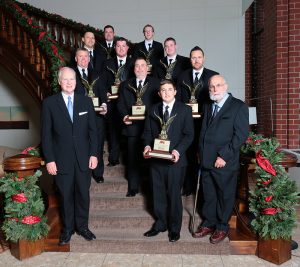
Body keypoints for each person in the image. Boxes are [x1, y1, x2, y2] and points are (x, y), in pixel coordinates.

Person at [41, 67, 98, 245]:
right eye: (65, 79)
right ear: (59, 82)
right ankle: (67, 230)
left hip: (83, 159)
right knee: (65, 196)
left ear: (76, 81)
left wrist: (94, 154)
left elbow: (93, 132)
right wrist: (49, 159)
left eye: (72, 79)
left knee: (83, 194)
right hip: (61, 160)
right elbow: (46, 135)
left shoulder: (86, 101)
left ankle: (83, 227)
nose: (69, 82)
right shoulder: (49, 103)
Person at [193, 75, 249, 244]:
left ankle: (222, 227)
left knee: (224, 195)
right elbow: (203, 132)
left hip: (224, 162)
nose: (214, 89)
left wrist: (224, 156)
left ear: (226, 86)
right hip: (207, 160)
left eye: (218, 85)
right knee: (209, 194)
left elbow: (240, 136)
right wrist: (200, 153)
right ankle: (209, 223)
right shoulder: (208, 106)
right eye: (211, 86)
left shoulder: (238, 107)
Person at [142, 79, 194, 242]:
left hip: (175, 160)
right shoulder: (153, 109)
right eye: (163, 90)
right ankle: (160, 224)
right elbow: (147, 133)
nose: (166, 93)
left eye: (169, 89)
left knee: (173, 195)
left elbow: (189, 134)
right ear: (159, 93)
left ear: (175, 91)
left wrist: (178, 151)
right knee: (157, 194)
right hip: (156, 159)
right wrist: (147, 147)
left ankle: (174, 228)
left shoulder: (184, 110)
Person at [177, 46, 219, 196]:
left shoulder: (213, 76)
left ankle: (205, 189)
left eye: (199, 57)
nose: (196, 60)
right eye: (193, 57)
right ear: (190, 59)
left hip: (205, 122)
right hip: (187, 123)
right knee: (188, 155)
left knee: (205, 154)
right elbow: (179, 100)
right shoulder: (182, 76)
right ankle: (189, 186)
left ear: (204, 58)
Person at [117, 58, 160, 197]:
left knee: (152, 160)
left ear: (147, 68)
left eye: (143, 66)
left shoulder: (156, 83)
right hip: (132, 128)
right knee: (132, 159)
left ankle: (151, 188)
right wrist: (124, 116)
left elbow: (161, 104)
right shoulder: (125, 84)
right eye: (137, 66)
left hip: (152, 129)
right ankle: (133, 187)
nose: (140, 68)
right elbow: (120, 104)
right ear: (133, 68)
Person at [73, 47, 107, 183]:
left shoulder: (97, 73)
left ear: (89, 58)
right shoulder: (71, 74)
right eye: (80, 56)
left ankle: (98, 173)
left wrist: (104, 104)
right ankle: (83, 172)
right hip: (78, 118)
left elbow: (103, 92)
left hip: (97, 116)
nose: (83, 59)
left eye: (86, 56)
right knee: (81, 145)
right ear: (76, 59)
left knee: (97, 144)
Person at [102, 37, 135, 167]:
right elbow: (103, 81)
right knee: (113, 130)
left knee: (129, 130)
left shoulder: (134, 63)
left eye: (123, 46)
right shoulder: (107, 63)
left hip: (128, 103)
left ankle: (128, 159)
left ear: (127, 48)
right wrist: (105, 92)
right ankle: (113, 158)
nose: (121, 48)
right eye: (118, 46)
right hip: (112, 103)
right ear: (114, 48)